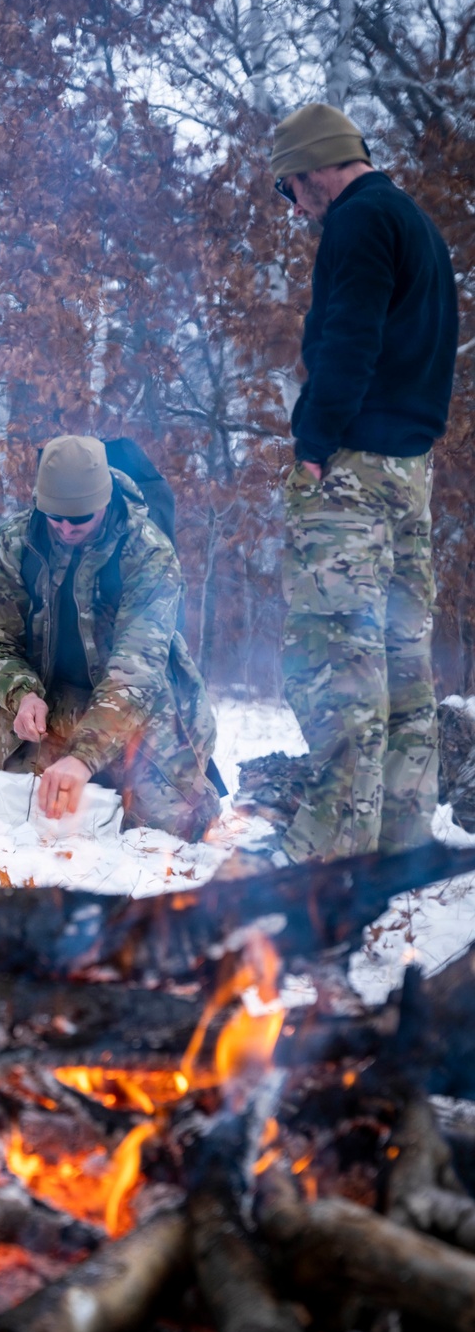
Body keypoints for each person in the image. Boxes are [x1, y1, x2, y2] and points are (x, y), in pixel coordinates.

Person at [265, 102, 458, 864]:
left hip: (352, 474)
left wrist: (314, 444)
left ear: (313, 169)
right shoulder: (416, 223)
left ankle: (329, 857)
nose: (296, 206)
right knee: (404, 667)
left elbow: (350, 334)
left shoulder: (357, 221)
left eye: (290, 190)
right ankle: (403, 847)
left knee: (334, 655)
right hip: (410, 475)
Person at [0, 435, 221, 841]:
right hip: (51, 701)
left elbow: (136, 672)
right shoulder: (13, 544)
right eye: (55, 518)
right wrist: (22, 694)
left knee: (173, 829)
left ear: (105, 502)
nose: (66, 529)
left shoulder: (149, 552)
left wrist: (83, 758)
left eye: (80, 519)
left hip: (143, 706)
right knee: (6, 813)